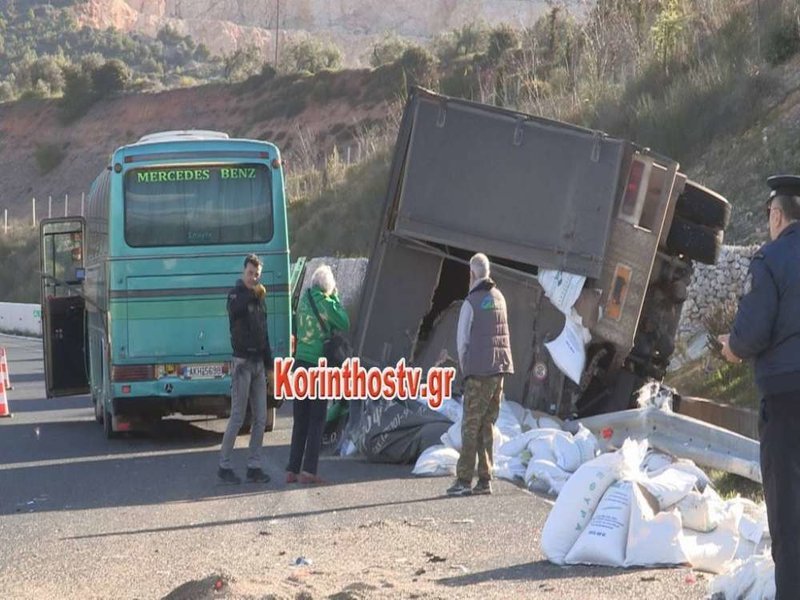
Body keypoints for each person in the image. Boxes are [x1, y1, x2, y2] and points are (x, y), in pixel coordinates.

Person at [719, 175, 800, 597]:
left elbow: (751, 333)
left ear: (776, 214)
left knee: (789, 518)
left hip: (787, 402)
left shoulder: (770, 259)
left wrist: (730, 347)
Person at [447, 253, 514, 497]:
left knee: (470, 425)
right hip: (500, 370)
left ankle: (464, 480)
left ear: (472, 274)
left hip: (480, 372)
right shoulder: (500, 298)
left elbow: (462, 341)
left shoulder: (471, 302)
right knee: (487, 424)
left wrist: (466, 371)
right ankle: (485, 479)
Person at [286, 265, 350, 484]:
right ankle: (309, 471)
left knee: (300, 419)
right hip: (318, 368)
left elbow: (294, 327)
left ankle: (292, 470)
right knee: (317, 419)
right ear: (328, 287)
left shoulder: (303, 301)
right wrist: (335, 297)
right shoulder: (326, 302)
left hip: (300, 365)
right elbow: (344, 322)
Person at [218, 254, 274, 484]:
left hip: (259, 363)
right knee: (238, 416)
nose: (253, 278)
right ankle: (224, 465)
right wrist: (252, 292)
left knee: (261, 417)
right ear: (244, 272)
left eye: (257, 275)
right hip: (242, 364)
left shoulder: (259, 297)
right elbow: (236, 309)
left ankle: (254, 465)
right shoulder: (236, 294)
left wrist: (270, 366)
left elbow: (264, 331)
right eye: (250, 273)